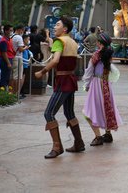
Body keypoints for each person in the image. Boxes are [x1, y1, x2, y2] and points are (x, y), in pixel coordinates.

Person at [35, 16, 85, 159]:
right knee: (69, 113)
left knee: (49, 113)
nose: (54, 27)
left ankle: (57, 146)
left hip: (62, 81)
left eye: (57, 25)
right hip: (71, 80)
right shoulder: (73, 42)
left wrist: (42, 71)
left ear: (65, 29)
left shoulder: (59, 41)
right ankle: (79, 142)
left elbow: (56, 60)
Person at [82, 33, 122, 146]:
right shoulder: (108, 54)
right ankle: (108, 133)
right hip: (106, 84)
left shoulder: (96, 55)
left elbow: (89, 71)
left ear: (99, 43)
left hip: (96, 84)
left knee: (88, 111)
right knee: (106, 108)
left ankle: (98, 136)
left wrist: (86, 84)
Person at [0, 25, 15, 90]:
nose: (11, 32)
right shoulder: (3, 41)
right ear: (6, 31)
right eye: (10, 30)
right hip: (5, 60)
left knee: (7, 77)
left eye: (12, 30)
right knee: (4, 77)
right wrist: (8, 63)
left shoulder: (9, 39)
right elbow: (4, 53)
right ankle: (2, 91)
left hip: (9, 59)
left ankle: (5, 91)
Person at [11, 25, 25, 96]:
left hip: (12, 57)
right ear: (20, 30)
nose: (23, 32)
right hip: (18, 58)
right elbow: (20, 49)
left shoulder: (12, 36)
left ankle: (11, 92)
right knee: (18, 76)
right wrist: (25, 48)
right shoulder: (19, 37)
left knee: (13, 76)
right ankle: (16, 94)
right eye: (23, 30)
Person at [20, 34, 33, 98]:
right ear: (24, 39)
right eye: (28, 39)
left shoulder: (26, 46)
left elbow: (29, 53)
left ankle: (22, 91)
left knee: (23, 77)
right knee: (22, 77)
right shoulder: (22, 46)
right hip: (23, 63)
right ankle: (20, 92)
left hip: (26, 64)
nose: (29, 40)